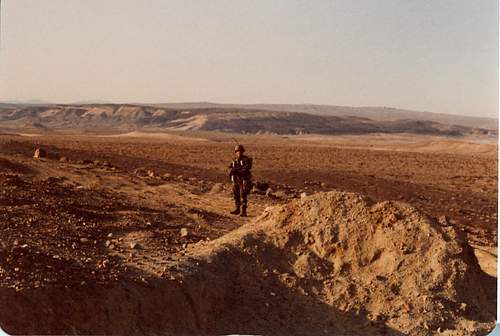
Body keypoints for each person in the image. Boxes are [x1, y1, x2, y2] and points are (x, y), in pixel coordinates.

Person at [228, 144, 253, 217]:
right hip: (236, 179)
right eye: (237, 151)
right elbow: (230, 167)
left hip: (244, 179)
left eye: (240, 151)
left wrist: (238, 171)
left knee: (243, 194)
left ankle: (243, 211)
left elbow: (247, 168)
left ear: (242, 151)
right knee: (236, 194)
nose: (238, 152)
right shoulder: (235, 160)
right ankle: (237, 209)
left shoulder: (246, 159)